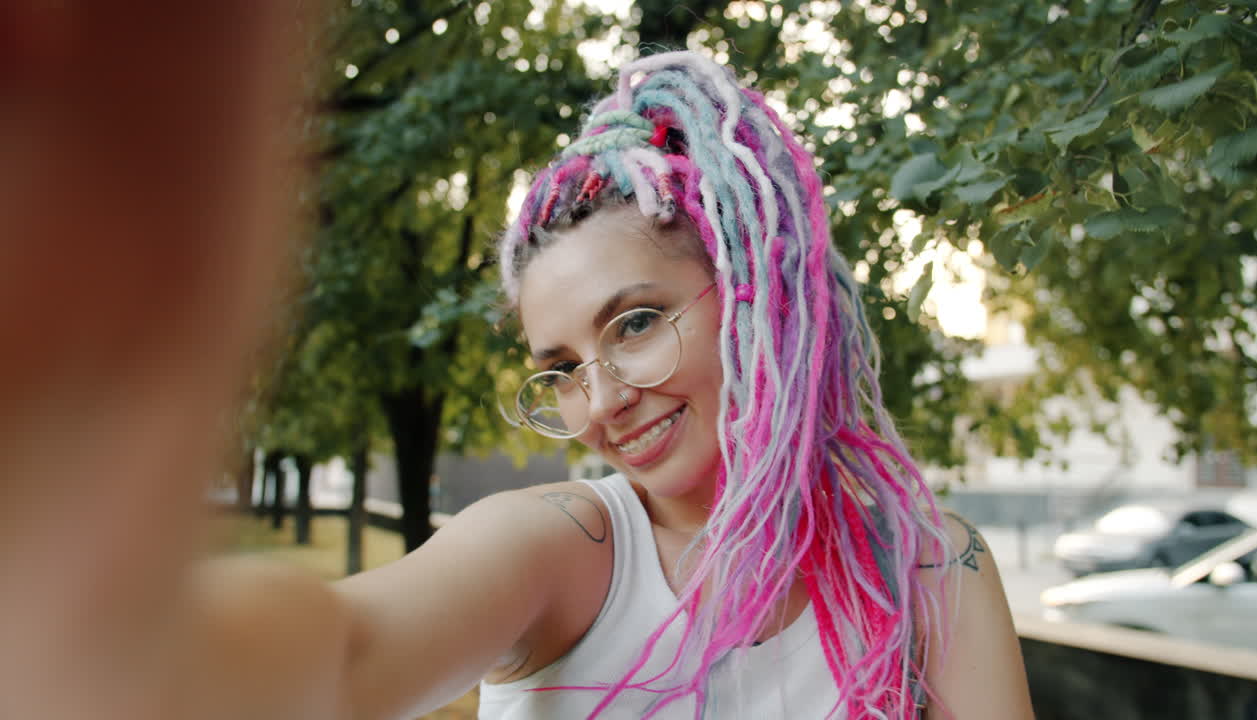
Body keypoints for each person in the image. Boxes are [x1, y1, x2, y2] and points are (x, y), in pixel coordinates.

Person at [3, 38, 1032, 718]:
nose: (602, 400)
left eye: (633, 323)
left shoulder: (929, 564)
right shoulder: (567, 549)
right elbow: (348, 651)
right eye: (560, 368)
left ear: (754, 294)